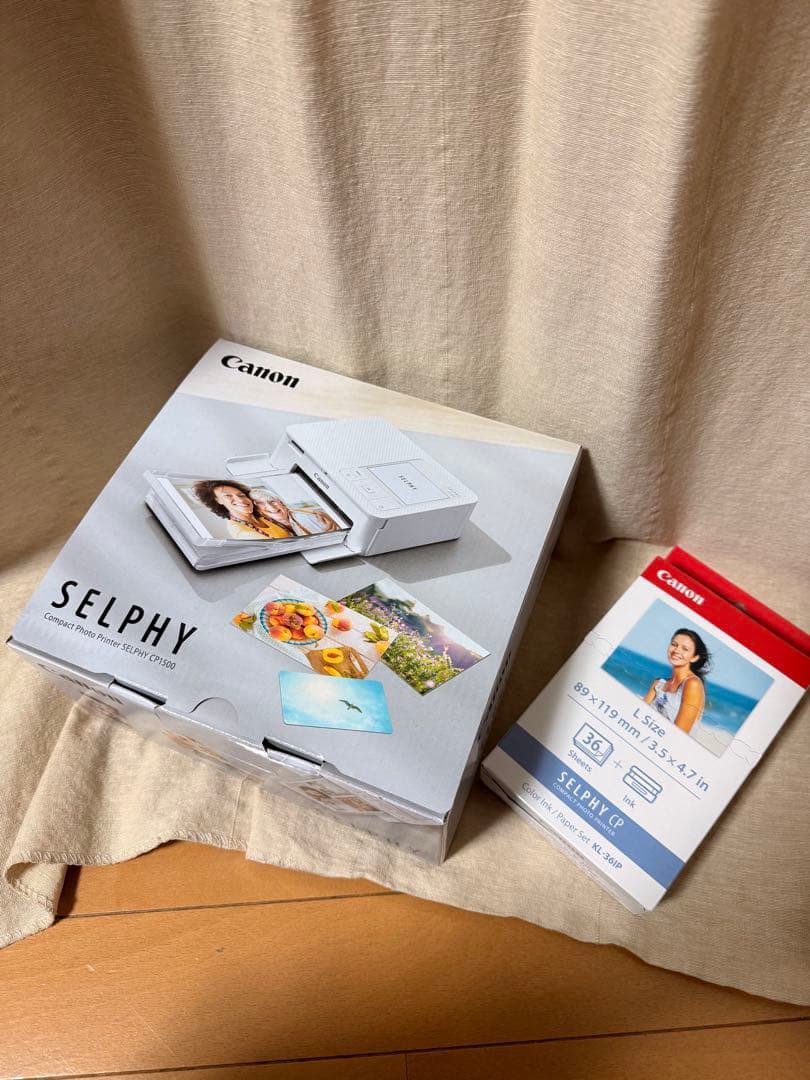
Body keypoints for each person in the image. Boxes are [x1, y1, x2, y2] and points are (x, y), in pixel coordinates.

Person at [643, 628, 711, 733]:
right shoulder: (658, 683)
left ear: (694, 657)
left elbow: (678, 734)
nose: (676, 650)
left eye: (685, 649)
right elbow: (639, 713)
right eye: (674, 644)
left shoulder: (693, 684)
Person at [192, 480, 293, 539]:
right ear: (218, 501)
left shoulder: (260, 514)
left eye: (241, 495)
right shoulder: (241, 531)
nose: (240, 500)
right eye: (228, 496)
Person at [250, 489, 341, 536]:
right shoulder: (273, 526)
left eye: (273, 501)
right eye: (261, 503)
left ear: (281, 503)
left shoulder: (305, 517)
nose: (271, 507)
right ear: (259, 511)